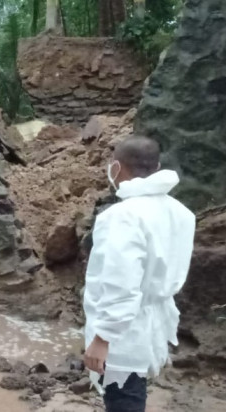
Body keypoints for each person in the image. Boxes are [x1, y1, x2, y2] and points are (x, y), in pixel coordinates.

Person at [82, 136, 196, 412]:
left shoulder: (123, 216)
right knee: (133, 392)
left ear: (116, 167)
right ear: (156, 167)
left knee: (124, 398)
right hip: (152, 321)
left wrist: (102, 338)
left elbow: (122, 283)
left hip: (125, 330)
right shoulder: (180, 212)